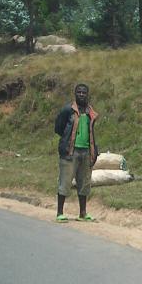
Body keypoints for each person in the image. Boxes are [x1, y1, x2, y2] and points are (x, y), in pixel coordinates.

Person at [54, 83, 99, 222]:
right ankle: (60, 213)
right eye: (79, 92)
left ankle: (83, 213)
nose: (81, 94)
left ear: (87, 94)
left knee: (84, 182)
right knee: (65, 181)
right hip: (70, 152)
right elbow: (59, 128)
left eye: (84, 92)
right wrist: (67, 141)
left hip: (86, 152)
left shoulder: (90, 112)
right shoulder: (68, 110)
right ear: (75, 94)